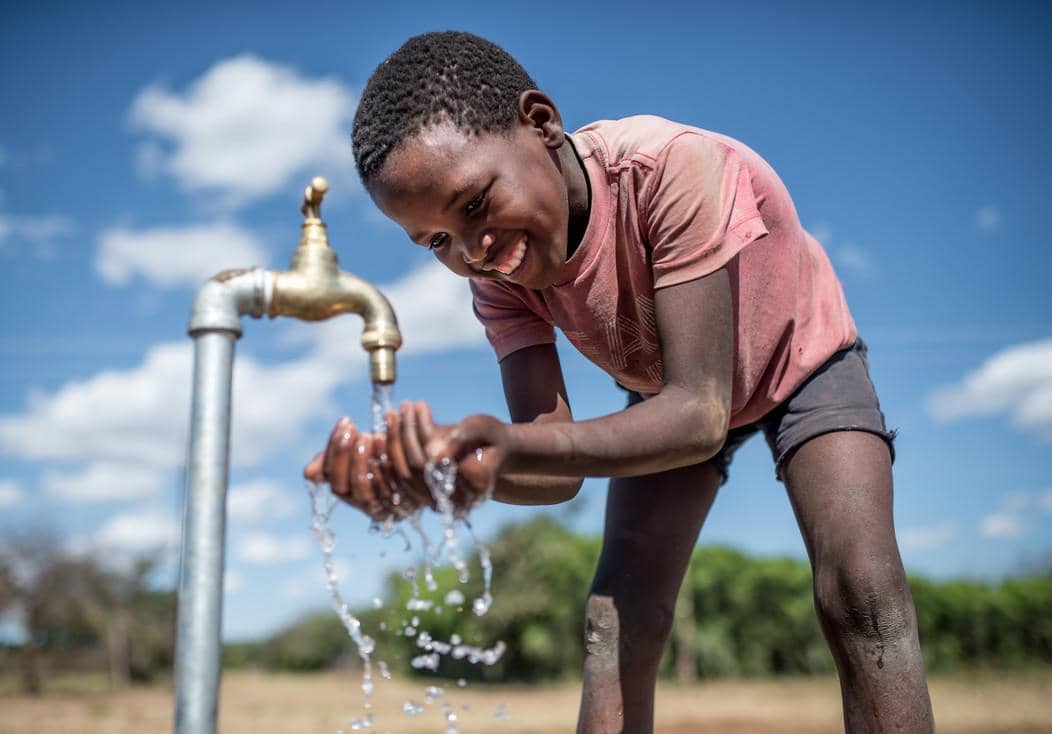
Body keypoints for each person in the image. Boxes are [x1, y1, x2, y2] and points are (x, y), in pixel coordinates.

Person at [304, 30, 934, 733]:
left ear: (540, 124)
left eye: (475, 204)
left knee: (861, 590)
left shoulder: (672, 170)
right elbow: (553, 467)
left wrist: (506, 447)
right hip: (666, 391)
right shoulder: (503, 277)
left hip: (801, 358)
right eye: (436, 241)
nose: (471, 252)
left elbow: (699, 417)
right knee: (614, 620)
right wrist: (447, 475)